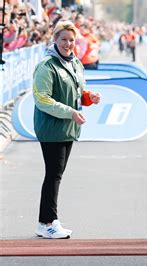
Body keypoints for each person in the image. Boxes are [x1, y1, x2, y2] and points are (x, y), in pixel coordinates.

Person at [32, 20, 101, 239]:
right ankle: (49, 222)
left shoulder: (75, 63)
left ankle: (45, 222)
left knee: (56, 174)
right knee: (53, 175)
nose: (68, 44)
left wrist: (89, 97)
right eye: (64, 39)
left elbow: (78, 92)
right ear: (55, 40)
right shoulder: (46, 65)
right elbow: (42, 99)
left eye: (71, 40)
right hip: (51, 127)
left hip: (68, 127)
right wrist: (70, 112)